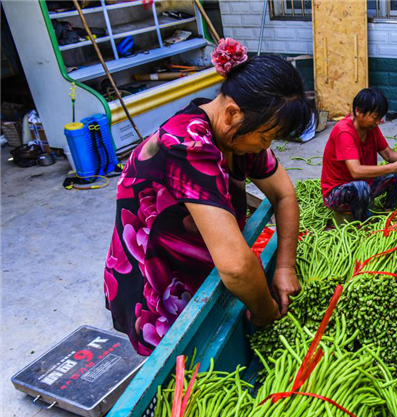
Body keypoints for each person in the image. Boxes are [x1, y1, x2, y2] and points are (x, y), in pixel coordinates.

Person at [104, 38, 315, 355]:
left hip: (198, 264)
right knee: (181, 366)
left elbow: (284, 194)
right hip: (157, 278)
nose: (264, 146)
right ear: (232, 113)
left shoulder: (239, 134)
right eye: (266, 136)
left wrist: (285, 267)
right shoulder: (188, 145)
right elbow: (235, 268)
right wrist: (266, 313)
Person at [320, 88, 397, 221]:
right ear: (358, 111)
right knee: (361, 187)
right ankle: (362, 223)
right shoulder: (344, 132)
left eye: (380, 118)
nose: (378, 122)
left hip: (365, 185)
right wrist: (393, 167)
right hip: (337, 193)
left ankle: (391, 213)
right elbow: (356, 171)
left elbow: (388, 154)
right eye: (375, 117)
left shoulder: (371, 128)